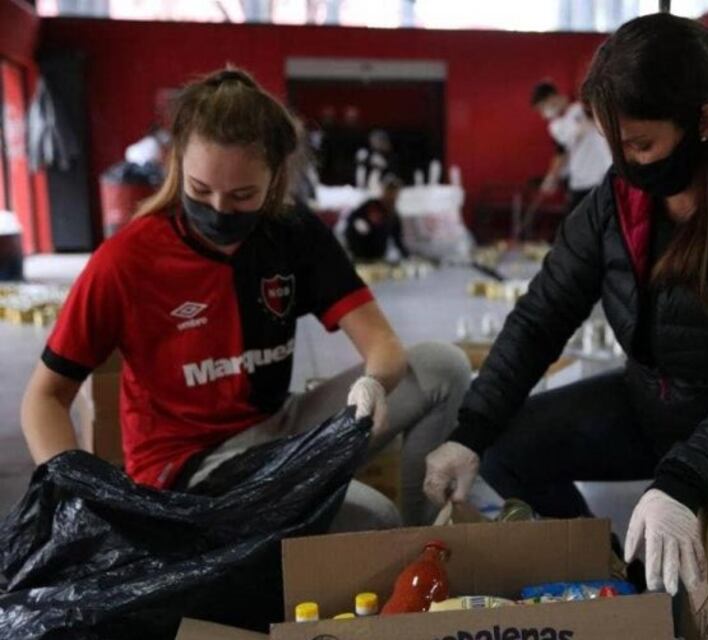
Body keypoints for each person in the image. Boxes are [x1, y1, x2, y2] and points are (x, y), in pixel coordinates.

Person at [424, 14, 708, 597]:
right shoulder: (616, 204)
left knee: (701, 601)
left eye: (641, 145)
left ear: (705, 122)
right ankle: (608, 580)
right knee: (507, 448)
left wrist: (683, 479)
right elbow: (542, 316)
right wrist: (471, 429)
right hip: (649, 403)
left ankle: (650, 583)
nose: (625, 166)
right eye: (613, 146)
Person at [20, 68, 471, 530]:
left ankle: (430, 549)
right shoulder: (126, 260)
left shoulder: (292, 232)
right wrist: (79, 492)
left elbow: (384, 347)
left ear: (275, 181)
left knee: (442, 366)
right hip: (191, 472)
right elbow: (44, 398)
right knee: (372, 519)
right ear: (177, 166)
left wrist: (374, 384)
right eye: (200, 190)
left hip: (281, 428)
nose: (218, 210)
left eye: (241, 196)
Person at [530, 80, 612, 214]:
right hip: (580, 179)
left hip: (602, 175)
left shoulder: (581, 109)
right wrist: (552, 177)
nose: (544, 112)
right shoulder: (555, 127)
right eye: (541, 109)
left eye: (544, 105)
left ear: (553, 97)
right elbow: (561, 153)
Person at [344, 174, 411, 262]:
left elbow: (398, 239)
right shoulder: (371, 205)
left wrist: (407, 256)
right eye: (389, 190)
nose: (391, 195)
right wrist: (356, 223)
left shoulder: (394, 215)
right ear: (384, 191)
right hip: (359, 256)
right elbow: (350, 219)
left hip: (378, 258)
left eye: (394, 191)